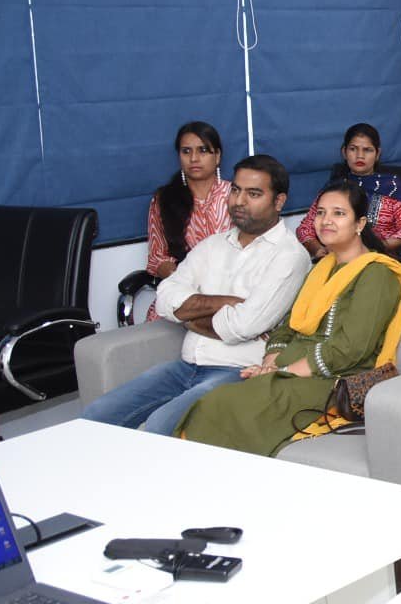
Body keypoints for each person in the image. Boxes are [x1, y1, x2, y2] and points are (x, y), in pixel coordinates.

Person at [176, 180, 401, 455]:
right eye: (321, 213)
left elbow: (351, 348)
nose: (326, 221)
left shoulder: (377, 274)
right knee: (215, 401)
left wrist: (284, 371)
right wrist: (270, 362)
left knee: (222, 404)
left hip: (334, 381)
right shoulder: (321, 268)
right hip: (293, 373)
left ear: (359, 224)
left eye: (338, 213)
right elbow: (288, 325)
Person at [83, 156, 310, 435]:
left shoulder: (289, 255)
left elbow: (242, 326)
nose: (239, 201)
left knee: (160, 427)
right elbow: (166, 297)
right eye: (236, 190)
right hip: (186, 366)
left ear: (279, 201)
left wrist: (188, 318)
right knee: (95, 416)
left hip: (237, 372)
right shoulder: (213, 245)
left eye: (253, 194)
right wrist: (225, 302)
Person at [142, 121, 232, 321]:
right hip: (182, 294)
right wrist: (183, 279)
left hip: (229, 294)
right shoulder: (164, 199)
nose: (194, 158)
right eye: (186, 151)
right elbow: (157, 258)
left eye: (203, 150)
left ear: (217, 156)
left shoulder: (235, 196)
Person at [296, 123, 401, 259]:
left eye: (367, 150)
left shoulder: (391, 187)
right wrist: (318, 250)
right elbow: (305, 228)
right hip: (336, 258)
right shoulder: (335, 187)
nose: (360, 156)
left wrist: (376, 247)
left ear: (377, 154)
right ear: (344, 152)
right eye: (353, 149)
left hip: (377, 258)